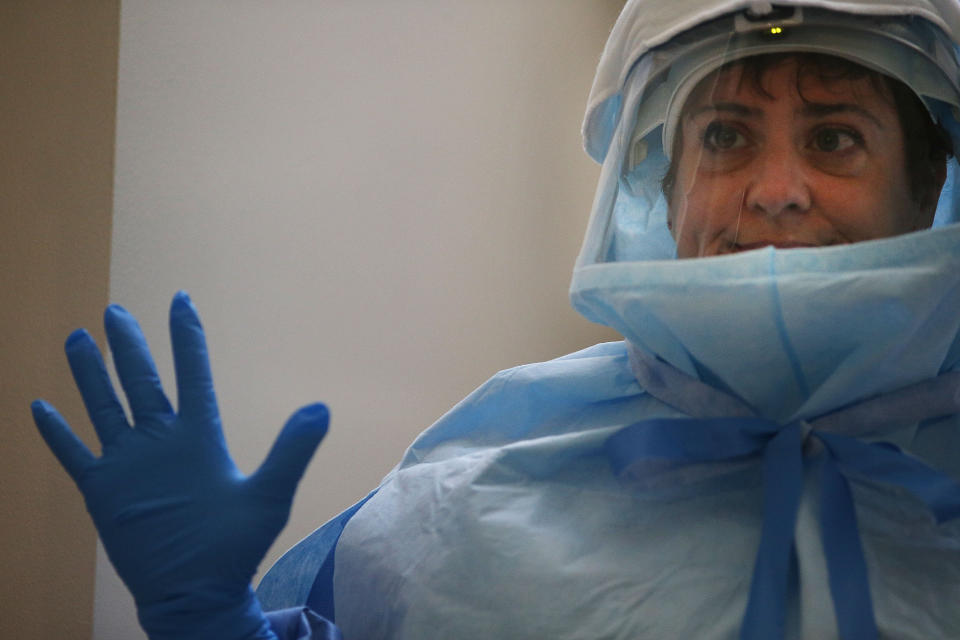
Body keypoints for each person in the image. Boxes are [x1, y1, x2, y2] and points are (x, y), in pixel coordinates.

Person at [31, 0, 960, 638]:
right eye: (724, 136)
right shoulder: (488, 468)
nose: (776, 191)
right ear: (665, 192)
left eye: (835, 137)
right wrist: (215, 621)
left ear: (928, 189)